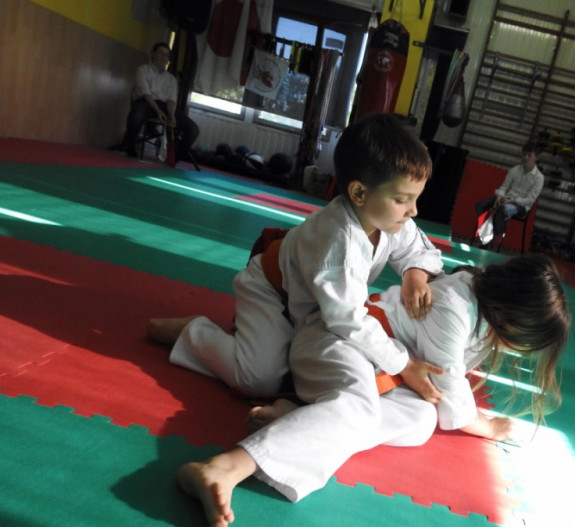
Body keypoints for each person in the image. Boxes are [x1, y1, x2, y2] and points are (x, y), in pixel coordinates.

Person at [177, 255, 571, 527]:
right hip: (337, 342)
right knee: (359, 411)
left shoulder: (483, 315)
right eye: (526, 342)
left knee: (420, 421)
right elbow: (454, 402)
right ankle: (225, 466)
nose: (521, 351)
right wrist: (491, 427)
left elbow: (438, 398)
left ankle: (300, 418)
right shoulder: (456, 307)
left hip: (383, 372)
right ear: (512, 317)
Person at [148, 112, 446, 407]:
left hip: (316, 305)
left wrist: (415, 274)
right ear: (359, 193)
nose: (413, 211)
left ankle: (270, 345)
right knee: (257, 380)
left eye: (415, 198)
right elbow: (349, 319)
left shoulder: (391, 220)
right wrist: (404, 365)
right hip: (271, 292)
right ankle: (194, 333)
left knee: (333, 366)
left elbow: (422, 251)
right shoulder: (339, 241)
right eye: (402, 200)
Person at [121, 42, 200, 161]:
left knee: (193, 129)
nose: (163, 57)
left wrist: (171, 115)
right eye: (160, 53)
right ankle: (129, 146)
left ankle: (175, 157)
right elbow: (146, 93)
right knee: (136, 115)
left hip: (164, 106)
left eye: (166, 55)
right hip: (145, 102)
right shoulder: (143, 70)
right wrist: (158, 111)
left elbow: (172, 100)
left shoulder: (171, 79)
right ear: (152, 54)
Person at [474, 142, 544, 249]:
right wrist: (499, 197)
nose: (525, 157)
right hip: (505, 198)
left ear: (536, 158)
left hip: (521, 206)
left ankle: (490, 239)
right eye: (524, 154)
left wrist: (512, 200)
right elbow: (504, 187)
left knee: (503, 209)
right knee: (481, 205)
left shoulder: (539, 178)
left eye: (529, 155)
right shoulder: (515, 169)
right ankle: (485, 230)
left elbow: (529, 200)